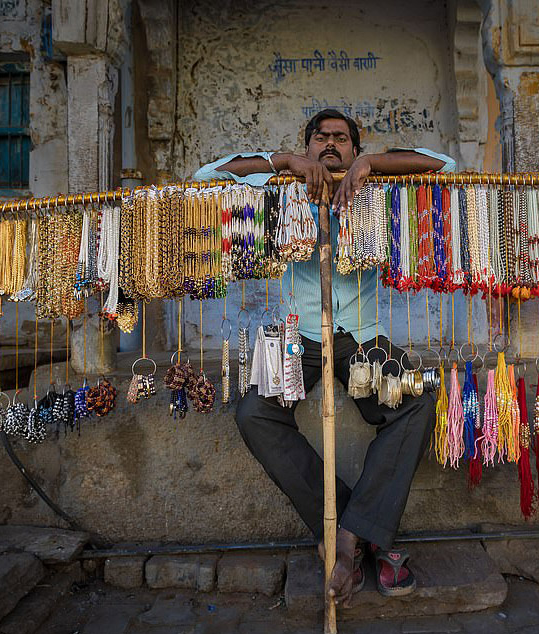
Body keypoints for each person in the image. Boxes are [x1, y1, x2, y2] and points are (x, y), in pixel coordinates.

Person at [193, 109, 456, 606]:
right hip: (300, 338)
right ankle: (347, 525)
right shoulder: (279, 187)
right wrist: (285, 162)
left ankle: (351, 540)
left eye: (341, 140)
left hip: (362, 337)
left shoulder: (376, 188)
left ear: (354, 150)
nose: (330, 146)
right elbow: (207, 175)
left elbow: (445, 165)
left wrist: (373, 165)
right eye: (320, 139)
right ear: (307, 146)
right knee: (254, 413)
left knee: (420, 400)